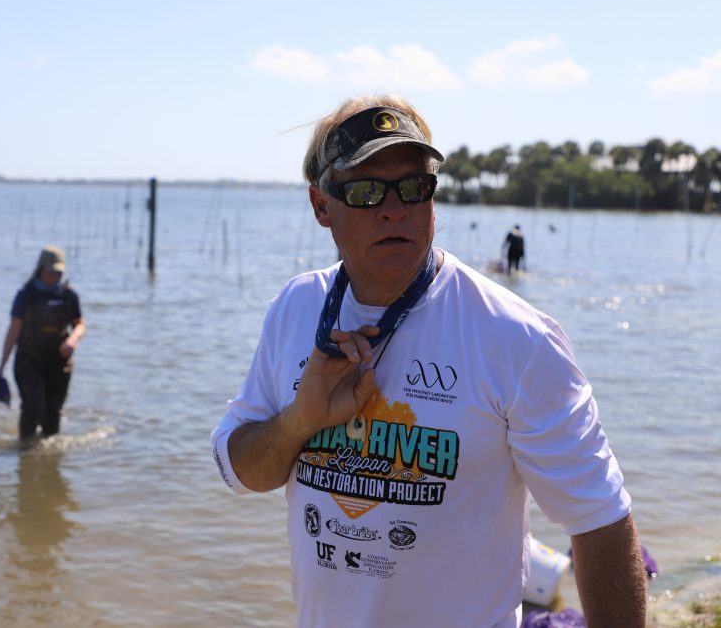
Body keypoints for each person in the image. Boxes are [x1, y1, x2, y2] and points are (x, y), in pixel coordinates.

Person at [210, 95, 646, 627]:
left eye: (414, 187)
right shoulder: (295, 309)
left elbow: (599, 517)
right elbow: (239, 472)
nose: (394, 209)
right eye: (367, 191)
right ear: (321, 206)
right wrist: (300, 420)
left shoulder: (516, 338)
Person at [0, 246, 84, 440]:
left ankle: (47, 459)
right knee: (33, 408)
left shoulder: (68, 296)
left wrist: (73, 339)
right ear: (41, 269)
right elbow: (13, 330)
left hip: (59, 363)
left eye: (59, 272)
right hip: (29, 360)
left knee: (53, 417)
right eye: (51, 272)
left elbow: (79, 324)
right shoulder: (26, 294)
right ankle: (24, 452)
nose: (55, 276)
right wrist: (1, 366)